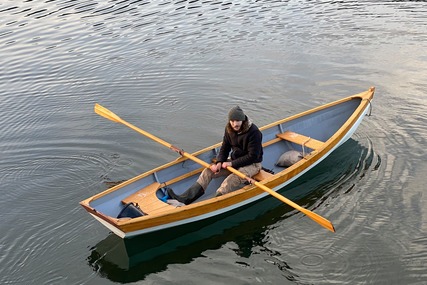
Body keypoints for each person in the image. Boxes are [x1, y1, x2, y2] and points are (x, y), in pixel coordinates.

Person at [167, 105, 263, 204]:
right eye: (232, 121)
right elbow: (225, 147)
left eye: (237, 121)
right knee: (208, 171)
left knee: (231, 179)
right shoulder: (229, 129)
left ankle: (215, 202)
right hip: (235, 161)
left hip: (253, 164)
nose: (234, 124)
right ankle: (185, 198)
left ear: (243, 120)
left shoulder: (254, 132)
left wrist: (231, 164)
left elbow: (253, 156)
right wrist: (219, 162)